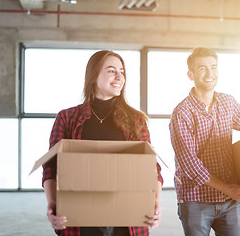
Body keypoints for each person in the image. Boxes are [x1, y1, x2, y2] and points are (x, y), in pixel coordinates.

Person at [42, 50, 163, 236]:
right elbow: (51, 166)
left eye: (121, 72)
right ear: (93, 76)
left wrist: (155, 200)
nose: (119, 77)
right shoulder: (67, 118)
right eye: (111, 71)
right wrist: (52, 203)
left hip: (127, 217)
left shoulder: (136, 120)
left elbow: (151, 167)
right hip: (79, 217)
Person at [169, 47, 240, 236]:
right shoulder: (182, 113)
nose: (210, 73)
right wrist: (229, 188)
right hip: (196, 200)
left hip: (228, 200)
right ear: (190, 74)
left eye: (214, 67)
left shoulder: (228, 103)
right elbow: (190, 165)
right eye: (202, 68)